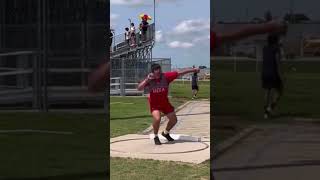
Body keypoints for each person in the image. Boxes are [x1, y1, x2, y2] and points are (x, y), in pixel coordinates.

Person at [137, 64, 200, 145]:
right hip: (155, 104)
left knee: (174, 120)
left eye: (160, 72)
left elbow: (180, 72)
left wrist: (193, 70)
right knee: (157, 118)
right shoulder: (149, 79)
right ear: (152, 73)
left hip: (165, 103)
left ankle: (165, 133)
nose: (159, 75)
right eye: (157, 73)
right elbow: (139, 88)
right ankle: (156, 136)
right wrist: (147, 80)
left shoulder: (165, 76)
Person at [262, 34, 283, 119]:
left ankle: (265, 113)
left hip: (264, 72)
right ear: (275, 41)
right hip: (273, 72)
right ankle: (270, 109)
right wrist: (280, 74)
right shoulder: (276, 49)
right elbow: (277, 61)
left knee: (267, 91)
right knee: (279, 90)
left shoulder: (265, 48)